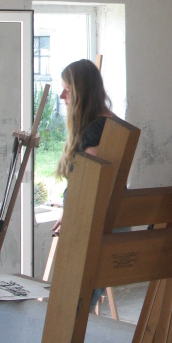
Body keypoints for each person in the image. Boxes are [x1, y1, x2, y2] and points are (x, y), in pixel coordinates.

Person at [51, 58, 124, 310]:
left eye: (67, 90)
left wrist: (72, 212)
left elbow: (91, 187)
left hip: (94, 224)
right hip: (99, 219)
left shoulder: (97, 130)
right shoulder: (110, 123)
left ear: (82, 93)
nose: (62, 96)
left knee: (74, 304)